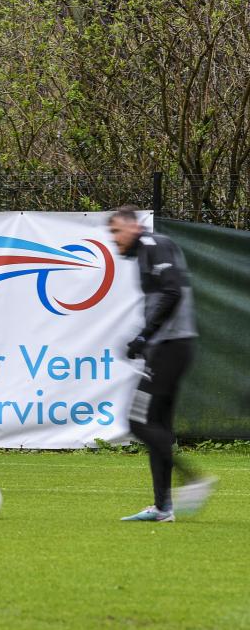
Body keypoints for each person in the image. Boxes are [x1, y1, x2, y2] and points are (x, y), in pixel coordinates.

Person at [108, 206, 217, 521]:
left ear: (133, 226)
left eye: (116, 231)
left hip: (171, 347)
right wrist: (146, 340)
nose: (114, 239)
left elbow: (172, 292)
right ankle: (162, 508)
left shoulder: (154, 244)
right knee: (158, 424)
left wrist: (145, 335)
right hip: (168, 347)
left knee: (138, 422)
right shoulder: (147, 251)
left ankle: (193, 479)